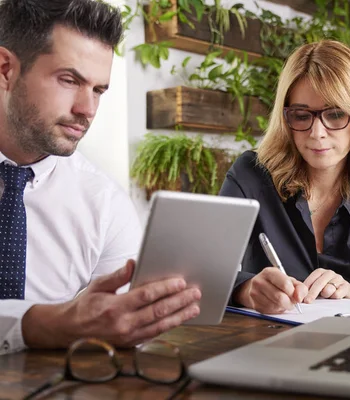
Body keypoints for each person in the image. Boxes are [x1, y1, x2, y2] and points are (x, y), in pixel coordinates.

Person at [0, 0, 201, 355]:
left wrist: (128, 319)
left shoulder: (104, 202)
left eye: (98, 90)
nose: (87, 110)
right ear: (5, 70)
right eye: (69, 80)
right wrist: (42, 323)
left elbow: (124, 326)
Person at [220, 40, 350, 314]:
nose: (317, 132)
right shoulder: (251, 175)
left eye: (334, 114)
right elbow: (203, 273)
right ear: (286, 119)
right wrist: (246, 289)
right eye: (301, 115)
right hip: (266, 348)